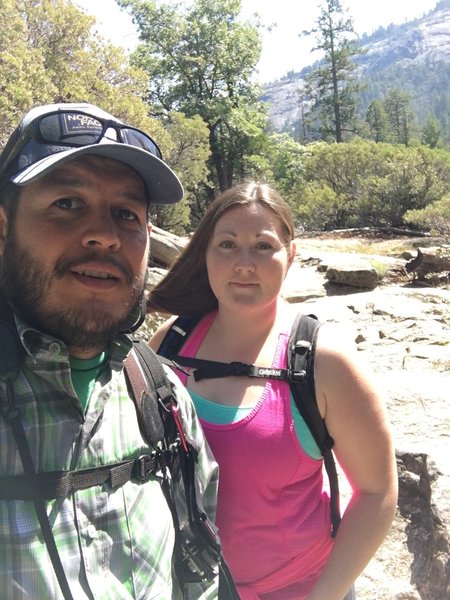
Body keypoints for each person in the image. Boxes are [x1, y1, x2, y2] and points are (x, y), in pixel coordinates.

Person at [0, 102, 220, 599]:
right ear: (3, 228)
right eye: (67, 203)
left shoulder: (161, 396)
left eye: (127, 214)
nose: (105, 234)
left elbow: (200, 556)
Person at [148, 182, 399, 600]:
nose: (243, 264)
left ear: (292, 254)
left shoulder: (324, 364)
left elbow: (377, 492)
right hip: (190, 586)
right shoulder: (170, 343)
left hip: (299, 588)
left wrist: (326, 595)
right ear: (204, 253)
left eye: (263, 247)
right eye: (226, 245)